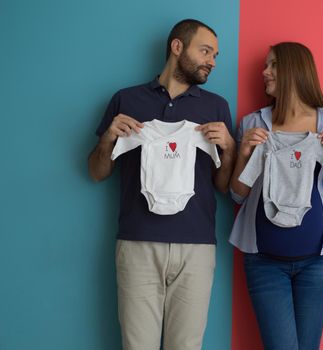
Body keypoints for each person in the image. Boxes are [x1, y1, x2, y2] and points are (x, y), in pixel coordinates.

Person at [88, 19, 236, 350]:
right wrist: (109, 138)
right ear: (177, 47)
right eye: (205, 50)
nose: (212, 60)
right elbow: (97, 172)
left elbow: (223, 186)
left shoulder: (216, 107)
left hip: (196, 246)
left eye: (215, 54)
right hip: (137, 243)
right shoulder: (126, 100)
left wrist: (229, 149)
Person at [229, 42, 323, 350]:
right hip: (264, 262)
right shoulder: (253, 123)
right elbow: (237, 195)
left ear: (293, 71)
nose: (264, 72)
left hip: (319, 263)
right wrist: (244, 154)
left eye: (272, 65)